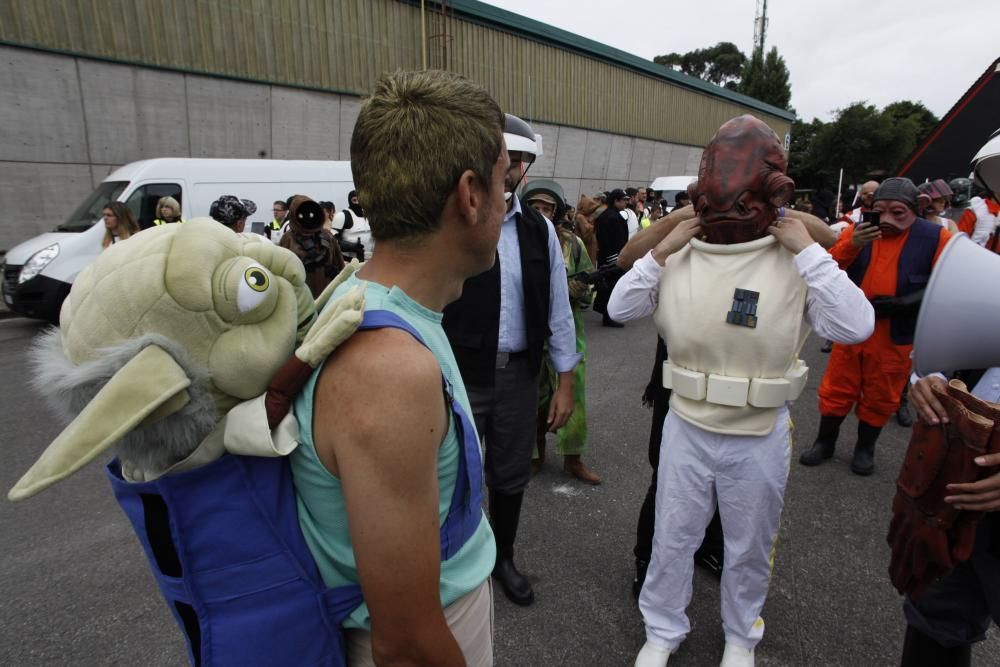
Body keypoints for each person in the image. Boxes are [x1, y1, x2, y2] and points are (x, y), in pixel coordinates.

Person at [611, 115, 874, 667]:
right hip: (687, 422)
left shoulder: (795, 257)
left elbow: (855, 327)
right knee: (672, 538)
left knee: (749, 546)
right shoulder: (680, 250)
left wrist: (808, 252)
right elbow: (619, 308)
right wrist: (661, 252)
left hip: (758, 430)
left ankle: (740, 636)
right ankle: (662, 630)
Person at [289, 68, 507, 667]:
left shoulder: (362, 297)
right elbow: (407, 643)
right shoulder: (388, 368)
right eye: (502, 182)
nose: (506, 201)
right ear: (469, 195)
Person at [442, 113, 580, 607]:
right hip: (460, 372)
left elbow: (559, 308)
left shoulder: (539, 229)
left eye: (523, 159)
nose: (515, 167)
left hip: (520, 374)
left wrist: (564, 381)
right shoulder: (457, 219)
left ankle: (504, 557)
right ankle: (454, 559)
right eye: (507, 158)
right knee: (453, 471)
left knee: (510, 472)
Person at [802, 178, 951, 475]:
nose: (886, 220)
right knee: (836, 389)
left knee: (882, 394)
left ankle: (865, 448)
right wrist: (853, 243)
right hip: (853, 330)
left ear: (917, 208)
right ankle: (825, 442)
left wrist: (906, 302)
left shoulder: (937, 237)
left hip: (894, 335)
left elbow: (948, 281)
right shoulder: (858, 232)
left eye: (898, 213)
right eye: (880, 210)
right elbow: (828, 269)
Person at [523, 180, 601, 485]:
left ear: (556, 211)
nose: (542, 213)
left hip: (567, 331)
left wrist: (578, 289)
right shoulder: (516, 240)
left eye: (547, 208)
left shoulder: (572, 243)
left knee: (574, 395)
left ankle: (574, 459)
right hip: (529, 333)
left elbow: (587, 291)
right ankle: (534, 456)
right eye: (535, 207)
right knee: (531, 396)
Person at [279, 195, 344, 298]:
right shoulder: (288, 239)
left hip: (328, 296)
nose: (307, 217)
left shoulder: (327, 236)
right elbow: (281, 273)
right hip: (301, 299)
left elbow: (340, 267)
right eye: (302, 213)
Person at [594, 188, 630, 327]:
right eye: (624, 200)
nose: (626, 203)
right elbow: (609, 240)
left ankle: (608, 314)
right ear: (616, 200)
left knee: (610, 286)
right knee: (611, 287)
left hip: (609, 256)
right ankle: (608, 316)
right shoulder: (612, 217)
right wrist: (615, 258)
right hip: (612, 258)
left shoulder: (608, 215)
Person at [331, 190, 373, 262]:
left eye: (360, 199)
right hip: (349, 261)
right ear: (350, 201)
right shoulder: (342, 216)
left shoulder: (370, 215)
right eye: (355, 200)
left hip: (371, 260)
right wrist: (352, 246)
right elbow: (333, 240)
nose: (358, 202)